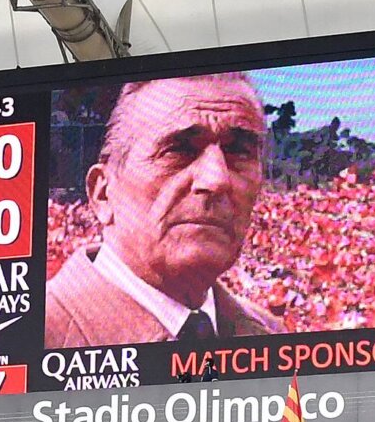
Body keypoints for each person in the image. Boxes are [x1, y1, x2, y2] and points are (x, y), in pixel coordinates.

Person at [42, 74, 281, 347]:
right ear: (103, 193)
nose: (217, 179)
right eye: (178, 150)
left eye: (238, 152)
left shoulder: (274, 336)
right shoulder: (25, 341)